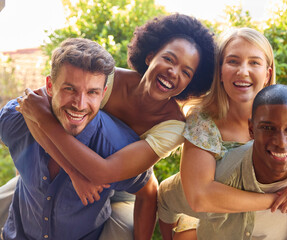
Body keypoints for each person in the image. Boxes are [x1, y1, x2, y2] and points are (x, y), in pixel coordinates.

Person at [0, 13, 216, 239]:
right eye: (169, 59)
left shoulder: (173, 126)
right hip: (73, 163)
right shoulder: (107, 79)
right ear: (150, 56)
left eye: (186, 72)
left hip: (122, 184)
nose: (174, 71)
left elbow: (105, 173)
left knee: (120, 231)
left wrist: (45, 123)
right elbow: (33, 108)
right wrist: (71, 172)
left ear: (191, 83)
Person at [157, 27, 287, 240]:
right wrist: (279, 199)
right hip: (223, 214)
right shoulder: (205, 121)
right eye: (233, 61)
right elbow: (200, 197)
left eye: (254, 62)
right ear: (220, 71)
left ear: (267, 73)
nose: (243, 71)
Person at [0, 38, 156, 240]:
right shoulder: (17, 119)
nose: (80, 104)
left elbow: (149, 192)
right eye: (69, 89)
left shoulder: (117, 145)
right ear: (50, 85)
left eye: (92, 92)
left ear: (103, 94)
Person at [194, 84, 287, 239]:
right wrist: (281, 200)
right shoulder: (220, 172)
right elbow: (177, 197)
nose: (281, 142)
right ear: (251, 129)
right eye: (268, 128)